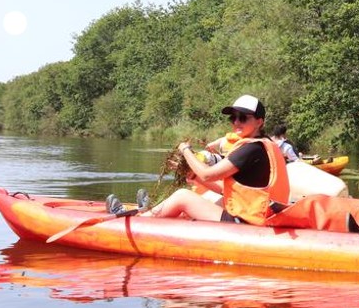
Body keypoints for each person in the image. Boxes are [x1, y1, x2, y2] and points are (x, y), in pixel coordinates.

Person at [108, 94, 290, 225]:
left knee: (183, 196)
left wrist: (186, 150)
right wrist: (192, 176)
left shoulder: (251, 149)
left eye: (243, 117)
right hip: (259, 216)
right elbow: (228, 191)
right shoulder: (263, 145)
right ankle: (152, 213)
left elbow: (207, 175)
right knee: (208, 200)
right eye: (233, 118)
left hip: (247, 223)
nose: (236, 122)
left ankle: (137, 222)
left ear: (260, 121)